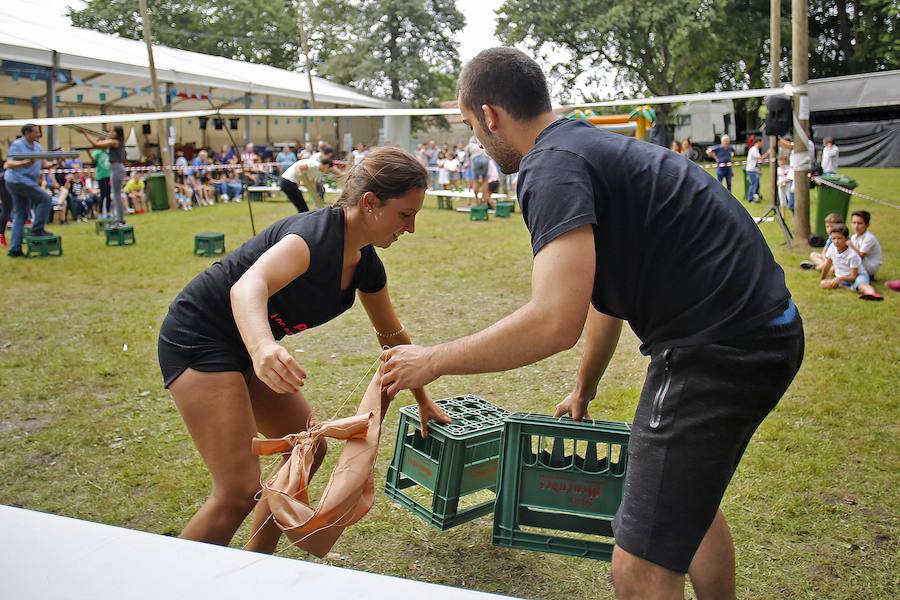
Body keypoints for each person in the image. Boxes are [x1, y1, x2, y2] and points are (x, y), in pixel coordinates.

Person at [380, 48, 804, 600]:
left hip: (719, 348)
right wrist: (585, 385)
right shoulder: (585, 146)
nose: (476, 141)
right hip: (762, 330)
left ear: (489, 115)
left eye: (470, 126)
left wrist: (431, 359)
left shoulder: (549, 166)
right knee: (685, 506)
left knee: (638, 568)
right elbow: (605, 295)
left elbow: (554, 322)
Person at [157, 146, 450, 551]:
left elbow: (392, 336)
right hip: (200, 336)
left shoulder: (365, 262)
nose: (411, 228)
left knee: (308, 448)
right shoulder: (311, 239)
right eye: (405, 214)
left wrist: (423, 399)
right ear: (370, 203)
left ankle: (257, 563)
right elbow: (247, 287)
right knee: (238, 490)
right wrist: (262, 349)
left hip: (246, 347)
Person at [4, 124, 54, 257]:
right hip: (17, 180)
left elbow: (42, 164)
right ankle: (37, 229)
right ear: (27, 133)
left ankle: (14, 249)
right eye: (36, 132)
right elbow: (9, 163)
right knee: (45, 198)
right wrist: (24, 163)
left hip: (25, 182)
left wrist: (54, 163)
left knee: (21, 214)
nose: (38, 134)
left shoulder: (37, 147)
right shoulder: (17, 145)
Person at [819, 225, 883, 301]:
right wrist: (822, 279)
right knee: (824, 283)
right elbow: (827, 265)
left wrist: (840, 278)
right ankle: (852, 289)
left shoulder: (852, 254)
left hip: (857, 276)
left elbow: (853, 277)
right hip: (843, 279)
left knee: (861, 285)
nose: (836, 241)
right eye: (833, 238)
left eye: (839, 238)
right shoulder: (832, 247)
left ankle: (872, 294)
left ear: (846, 239)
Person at [83, 126, 127, 225]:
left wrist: (85, 134)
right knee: (115, 194)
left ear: (117, 133)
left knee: (116, 195)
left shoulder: (115, 142)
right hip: (115, 168)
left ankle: (120, 219)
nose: (110, 133)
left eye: (112, 131)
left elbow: (96, 144)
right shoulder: (115, 141)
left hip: (117, 168)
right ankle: (118, 217)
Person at [849, 210, 883, 281]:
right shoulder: (854, 237)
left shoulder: (869, 238)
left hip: (870, 267)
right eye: (854, 223)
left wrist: (851, 245)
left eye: (860, 223)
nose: (856, 226)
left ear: (867, 225)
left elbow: (860, 256)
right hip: (860, 263)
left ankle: (863, 276)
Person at [745, 138, 770, 203]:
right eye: (761, 142)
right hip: (751, 170)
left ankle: (756, 197)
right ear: (758, 142)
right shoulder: (754, 150)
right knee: (753, 184)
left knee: (756, 185)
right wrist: (768, 153)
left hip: (754, 170)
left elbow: (757, 161)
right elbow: (760, 158)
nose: (762, 144)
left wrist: (759, 170)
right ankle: (750, 199)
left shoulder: (755, 149)